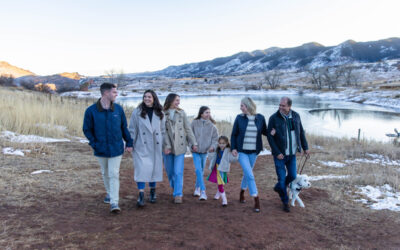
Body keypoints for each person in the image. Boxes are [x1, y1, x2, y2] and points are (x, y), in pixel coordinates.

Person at [83, 83, 133, 214]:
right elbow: (87, 130)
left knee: (113, 173)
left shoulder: (118, 109)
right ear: (106, 93)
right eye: (114, 92)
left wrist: (129, 142)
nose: (116, 94)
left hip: (116, 148)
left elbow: (124, 128)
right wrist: (94, 143)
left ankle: (114, 202)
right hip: (100, 149)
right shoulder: (91, 111)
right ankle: (110, 193)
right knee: (105, 173)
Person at [267, 97, 309, 213]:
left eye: (283, 106)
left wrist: (305, 147)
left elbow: (301, 132)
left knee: (292, 176)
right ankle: (285, 202)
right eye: (279, 105)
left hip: (292, 154)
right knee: (281, 179)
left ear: (289, 106)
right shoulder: (273, 118)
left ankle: (279, 187)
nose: (280, 107)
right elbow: (270, 137)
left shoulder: (296, 116)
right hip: (279, 155)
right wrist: (277, 152)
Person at [128, 90, 165, 207]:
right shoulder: (137, 112)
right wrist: (130, 144)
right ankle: (141, 195)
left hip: (155, 145)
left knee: (153, 168)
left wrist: (165, 145)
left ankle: (153, 192)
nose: (146, 99)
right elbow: (132, 129)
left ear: (154, 98)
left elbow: (163, 130)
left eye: (149, 97)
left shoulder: (160, 112)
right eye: (145, 97)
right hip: (141, 145)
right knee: (142, 169)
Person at [231, 97, 267, 212]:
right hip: (242, 151)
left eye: (242, 105)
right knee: (250, 175)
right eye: (241, 106)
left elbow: (265, 131)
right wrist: (233, 148)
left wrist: (273, 132)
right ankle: (256, 199)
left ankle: (242, 191)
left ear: (248, 106)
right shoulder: (239, 118)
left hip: (254, 152)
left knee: (248, 173)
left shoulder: (260, 118)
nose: (240, 108)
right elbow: (234, 134)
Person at [163, 93, 198, 204]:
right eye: (176, 100)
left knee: (178, 171)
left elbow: (188, 129)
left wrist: (194, 143)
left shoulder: (181, 113)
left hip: (180, 146)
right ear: (170, 100)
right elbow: (162, 132)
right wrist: (166, 146)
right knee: (170, 172)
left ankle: (178, 194)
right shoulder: (162, 114)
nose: (178, 102)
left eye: (179, 100)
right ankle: (175, 187)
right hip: (167, 147)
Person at [191, 106, 219, 200]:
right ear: (201, 113)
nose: (208, 114)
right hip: (195, 151)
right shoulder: (194, 123)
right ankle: (203, 192)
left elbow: (215, 139)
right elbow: (189, 135)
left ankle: (197, 188)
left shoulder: (212, 126)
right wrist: (192, 145)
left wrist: (213, 147)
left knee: (201, 171)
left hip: (205, 152)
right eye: (206, 112)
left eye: (209, 112)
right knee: (198, 170)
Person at [207, 136, 238, 206]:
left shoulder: (228, 151)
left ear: (227, 143)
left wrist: (235, 155)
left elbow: (232, 160)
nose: (221, 145)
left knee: (220, 183)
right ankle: (223, 199)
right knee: (220, 184)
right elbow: (210, 158)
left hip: (223, 169)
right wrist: (210, 151)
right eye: (220, 143)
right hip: (216, 168)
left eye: (223, 143)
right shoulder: (216, 150)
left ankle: (223, 199)